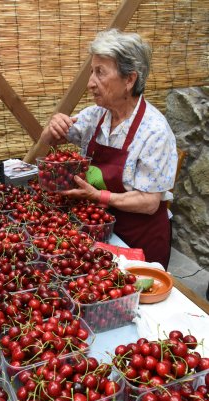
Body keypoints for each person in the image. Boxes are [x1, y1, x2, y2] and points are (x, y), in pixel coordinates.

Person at [40, 28, 178, 269]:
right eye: (92, 72)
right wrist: (53, 126)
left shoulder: (154, 131)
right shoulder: (95, 116)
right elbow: (51, 140)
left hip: (139, 239)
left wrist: (99, 196)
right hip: (101, 230)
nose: (90, 83)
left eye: (100, 73)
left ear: (129, 79)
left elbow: (149, 202)